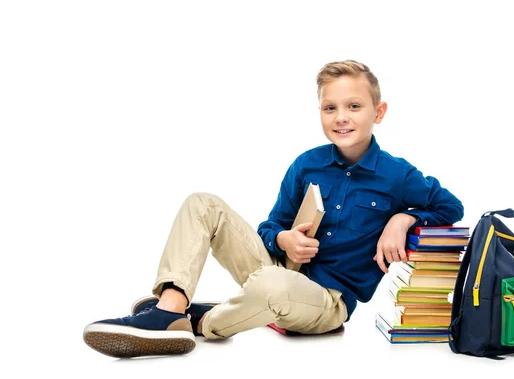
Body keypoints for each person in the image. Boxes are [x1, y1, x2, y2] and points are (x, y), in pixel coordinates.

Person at [83, 59, 464, 358]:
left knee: (269, 286)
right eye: (329, 107)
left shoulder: (397, 175)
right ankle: (170, 308)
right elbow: (272, 225)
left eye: (353, 106)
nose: (341, 117)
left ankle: (202, 322)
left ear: (378, 112)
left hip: (327, 302)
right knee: (203, 203)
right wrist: (283, 238)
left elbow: (451, 206)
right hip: (281, 269)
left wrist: (403, 217)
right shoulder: (306, 164)